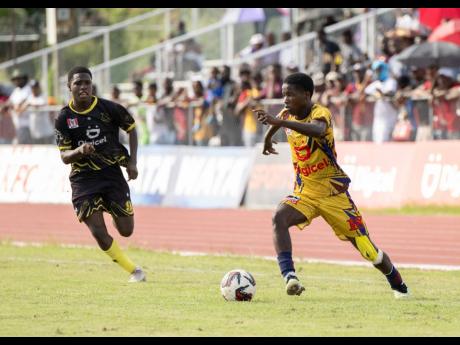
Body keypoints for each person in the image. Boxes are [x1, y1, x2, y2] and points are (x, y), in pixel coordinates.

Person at [253, 72, 409, 298]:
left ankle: (398, 284)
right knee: (279, 217)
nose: (285, 99)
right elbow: (278, 123)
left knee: (369, 251)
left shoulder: (320, 113)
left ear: (306, 95)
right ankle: (290, 277)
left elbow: (316, 130)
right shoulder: (286, 114)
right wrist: (268, 138)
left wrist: (279, 122)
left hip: (333, 194)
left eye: (290, 95)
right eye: (283, 95)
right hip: (305, 192)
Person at [54, 66, 146, 282]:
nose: (83, 87)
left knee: (126, 230)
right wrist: (79, 150)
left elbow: (131, 128)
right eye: (78, 83)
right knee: (97, 230)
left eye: (87, 82)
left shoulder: (109, 108)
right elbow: (65, 157)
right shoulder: (64, 118)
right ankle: (135, 271)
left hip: (111, 174)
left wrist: (132, 161)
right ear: (69, 87)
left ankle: (112, 208)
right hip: (83, 180)